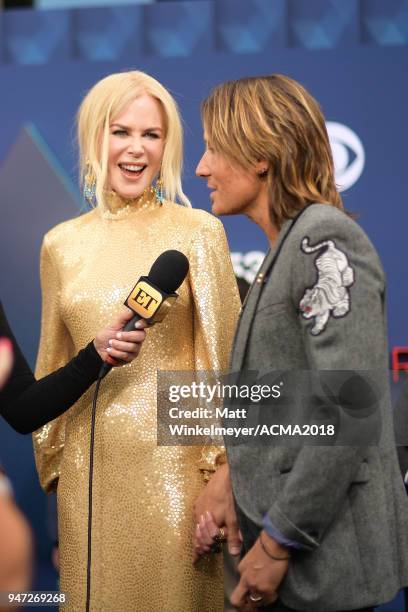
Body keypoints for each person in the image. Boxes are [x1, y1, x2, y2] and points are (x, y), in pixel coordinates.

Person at [194, 74, 408, 611]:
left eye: (214, 148)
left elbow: (350, 407)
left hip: (322, 568)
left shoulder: (325, 239)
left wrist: (279, 540)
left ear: (260, 156)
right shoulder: (284, 252)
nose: (202, 168)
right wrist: (230, 472)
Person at [32, 71, 240, 611]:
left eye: (151, 135)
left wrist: (221, 477)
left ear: (167, 146)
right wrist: (56, 464)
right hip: (88, 473)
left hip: (177, 477)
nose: (135, 148)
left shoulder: (197, 231)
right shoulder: (61, 244)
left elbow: (224, 363)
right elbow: (51, 363)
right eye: (120, 131)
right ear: (94, 137)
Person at [0, 301, 146, 433]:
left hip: (167, 394)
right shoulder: (58, 270)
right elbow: (21, 410)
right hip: (95, 431)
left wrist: (170, 431)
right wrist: (94, 356)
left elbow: (18, 405)